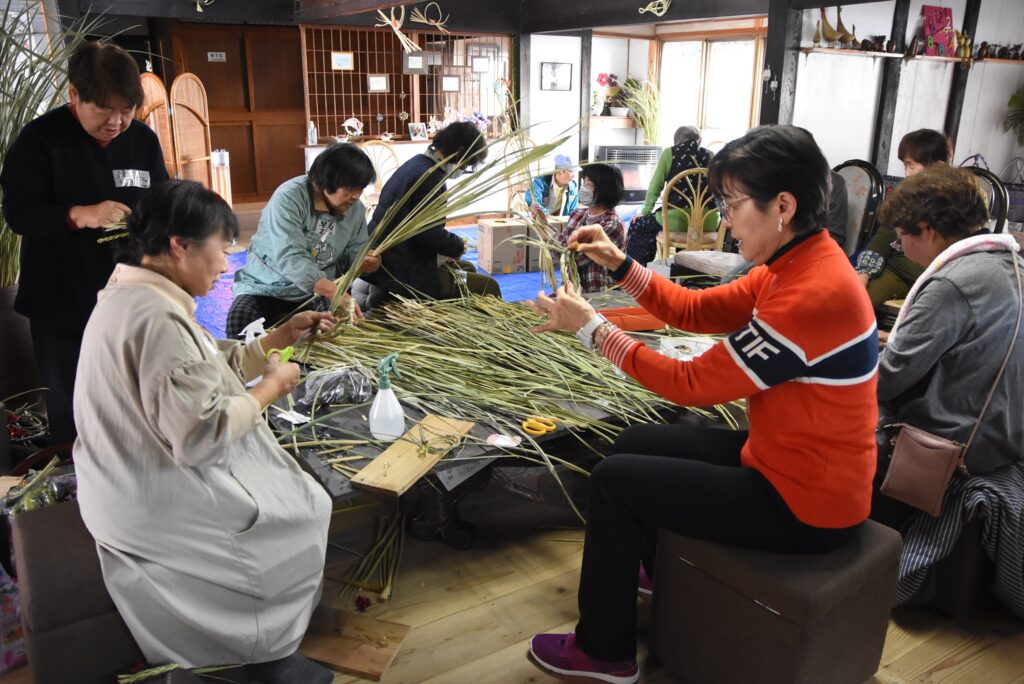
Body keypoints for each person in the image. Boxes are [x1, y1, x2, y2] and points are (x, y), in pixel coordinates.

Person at [525, 125, 879, 683]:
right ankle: (642, 573)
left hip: (807, 504)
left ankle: (604, 651)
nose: (724, 218)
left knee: (616, 480)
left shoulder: (813, 295)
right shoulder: (796, 264)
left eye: (731, 204)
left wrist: (591, 329)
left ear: (782, 206)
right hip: (785, 459)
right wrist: (621, 263)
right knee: (636, 442)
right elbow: (692, 310)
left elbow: (689, 383)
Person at [74, 180, 335, 683]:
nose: (224, 264)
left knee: (296, 494)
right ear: (180, 245)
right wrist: (270, 389)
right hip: (151, 492)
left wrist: (282, 335)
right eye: (221, 248)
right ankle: (248, 650)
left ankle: (258, 645)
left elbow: (211, 363)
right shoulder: (154, 316)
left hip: (129, 473)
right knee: (301, 510)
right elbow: (203, 434)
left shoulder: (137, 294)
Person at [870, 166, 1024, 615]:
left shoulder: (953, 284)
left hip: (951, 449)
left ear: (931, 230)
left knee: (826, 423)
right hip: (1004, 432)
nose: (902, 248)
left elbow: (888, 378)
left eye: (903, 237)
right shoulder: (1009, 264)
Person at [0, 41, 168, 444]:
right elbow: (19, 212)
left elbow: (162, 200)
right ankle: (72, 482)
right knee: (71, 400)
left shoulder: (142, 141)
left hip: (128, 293)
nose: (116, 122)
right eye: (104, 110)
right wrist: (78, 215)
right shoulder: (40, 140)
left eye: (126, 110)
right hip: (61, 297)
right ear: (74, 94)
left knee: (133, 393)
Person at [226, 142, 380, 339]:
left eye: (360, 189)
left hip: (317, 292)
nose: (356, 196)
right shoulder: (290, 198)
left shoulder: (355, 209)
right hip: (267, 286)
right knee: (239, 323)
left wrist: (366, 262)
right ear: (327, 182)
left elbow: (354, 253)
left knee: (339, 327)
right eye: (350, 189)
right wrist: (334, 291)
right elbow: (291, 258)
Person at [356, 121, 500, 307]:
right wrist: (457, 246)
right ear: (460, 152)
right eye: (467, 164)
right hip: (402, 270)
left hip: (389, 260)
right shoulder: (430, 179)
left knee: (468, 268)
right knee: (489, 285)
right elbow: (427, 233)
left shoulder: (416, 164)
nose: (464, 169)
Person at [855, 128, 952, 307]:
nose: (907, 173)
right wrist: (864, 272)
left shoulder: (955, 199)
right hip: (896, 267)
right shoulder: (905, 193)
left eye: (912, 166)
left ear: (937, 166)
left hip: (933, 276)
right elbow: (885, 235)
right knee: (857, 299)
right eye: (905, 165)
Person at [624, 125, 715, 266]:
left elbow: (655, 186)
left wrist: (645, 212)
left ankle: (638, 274)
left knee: (639, 225)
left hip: (677, 221)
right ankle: (687, 272)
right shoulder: (711, 155)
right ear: (699, 140)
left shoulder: (670, 153)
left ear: (676, 141)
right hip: (708, 222)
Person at [547, 162, 626, 293]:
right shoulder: (577, 214)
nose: (583, 189)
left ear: (604, 190)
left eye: (588, 185)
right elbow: (563, 242)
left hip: (600, 294)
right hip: (573, 290)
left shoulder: (612, 225)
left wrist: (546, 233)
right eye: (584, 183)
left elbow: (572, 258)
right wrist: (544, 224)